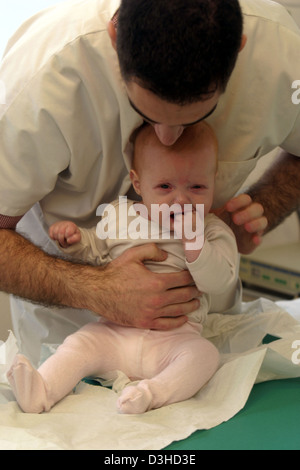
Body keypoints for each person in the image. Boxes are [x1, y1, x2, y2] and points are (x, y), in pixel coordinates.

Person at [0, 0, 299, 366]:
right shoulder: (38, 81)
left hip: (195, 324)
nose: (167, 138)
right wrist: (92, 288)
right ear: (114, 36)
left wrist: (261, 206)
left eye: (197, 117)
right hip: (67, 320)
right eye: (146, 112)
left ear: (238, 46)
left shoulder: (284, 55)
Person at [7, 122, 239, 414]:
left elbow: (220, 282)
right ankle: (42, 390)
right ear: (139, 184)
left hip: (175, 338)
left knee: (205, 356)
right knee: (79, 344)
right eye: (165, 187)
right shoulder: (120, 215)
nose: (181, 200)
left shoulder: (214, 232)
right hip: (113, 333)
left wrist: (196, 244)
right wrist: (74, 241)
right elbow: (96, 252)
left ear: (213, 182)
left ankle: (151, 394)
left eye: (197, 187)